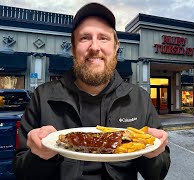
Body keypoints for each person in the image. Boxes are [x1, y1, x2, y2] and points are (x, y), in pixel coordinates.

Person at [13, 3, 170, 180]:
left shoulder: (139, 98)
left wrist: (153, 154)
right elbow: (21, 172)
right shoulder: (42, 97)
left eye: (103, 38)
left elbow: (159, 173)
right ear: (72, 49)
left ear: (116, 47)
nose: (95, 47)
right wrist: (39, 156)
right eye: (85, 38)